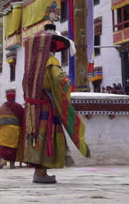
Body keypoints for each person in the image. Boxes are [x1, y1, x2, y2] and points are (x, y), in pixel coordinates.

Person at [22, 24, 90, 183]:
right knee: (46, 137)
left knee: (36, 138)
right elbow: (60, 80)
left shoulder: (31, 65)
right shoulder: (51, 61)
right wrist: (67, 81)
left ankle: (39, 172)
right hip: (46, 105)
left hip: (32, 107)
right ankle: (41, 173)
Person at [0, 89, 24, 169]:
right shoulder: (18, 106)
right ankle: (12, 164)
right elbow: (22, 117)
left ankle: (2, 159)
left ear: (7, 98)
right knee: (13, 146)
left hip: (4, 128)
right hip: (14, 128)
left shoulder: (3, 106)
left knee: (3, 145)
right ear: (14, 98)